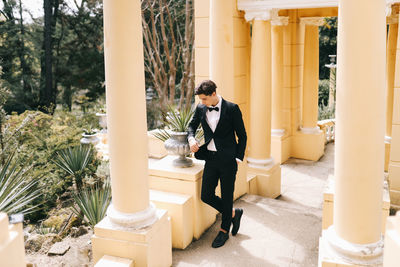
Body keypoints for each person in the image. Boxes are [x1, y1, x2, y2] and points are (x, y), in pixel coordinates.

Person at [187, 80, 247, 248]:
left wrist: (237, 158)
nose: (202, 102)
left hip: (228, 160)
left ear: (213, 94)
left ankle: (223, 231)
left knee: (227, 196)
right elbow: (191, 127)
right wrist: (192, 139)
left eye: (204, 99)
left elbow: (242, 135)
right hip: (210, 159)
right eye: (201, 100)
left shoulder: (232, 108)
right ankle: (234, 213)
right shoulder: (201, 108)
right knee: (206, 195)